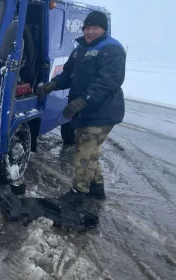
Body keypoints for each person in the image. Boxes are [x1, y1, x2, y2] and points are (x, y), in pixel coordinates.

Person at [37, 11, 126, 205]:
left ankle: (78, 194)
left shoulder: (112, 49)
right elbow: (68, 74)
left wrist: (80, 102)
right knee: (90, 150)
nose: (90, 31)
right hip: (86, 110)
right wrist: (53, 84)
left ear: (104, 29)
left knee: (84, 150)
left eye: (95, 28)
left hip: (102, 110)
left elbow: (108, 82)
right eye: (87, 28)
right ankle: (96, 188)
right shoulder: (80, 49)